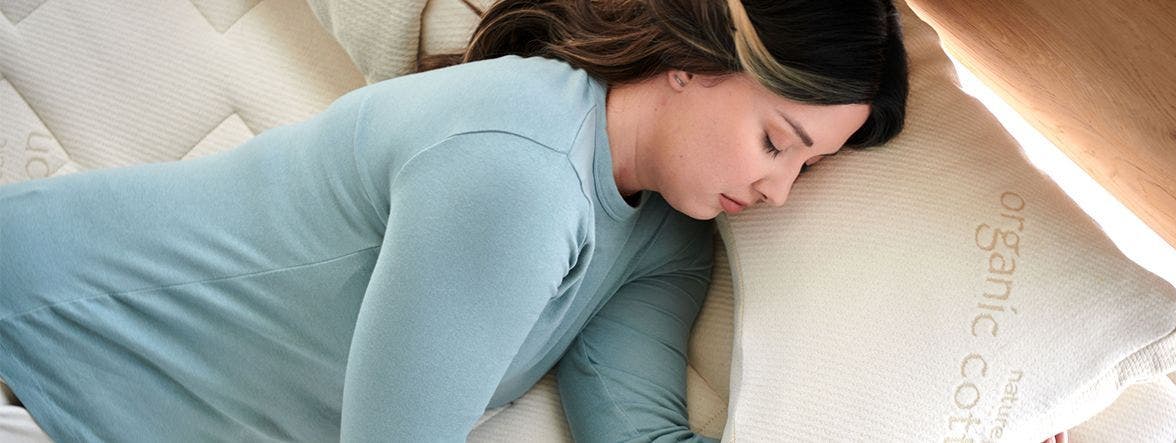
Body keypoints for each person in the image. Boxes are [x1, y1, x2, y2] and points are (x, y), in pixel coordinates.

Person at [0, 0, 912, 441]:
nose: (780, 191)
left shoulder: (665, 235)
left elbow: (634, 434)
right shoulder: (517, 168)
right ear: (690, 59)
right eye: (774, 141)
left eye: (806, 164)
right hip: (40, 348)